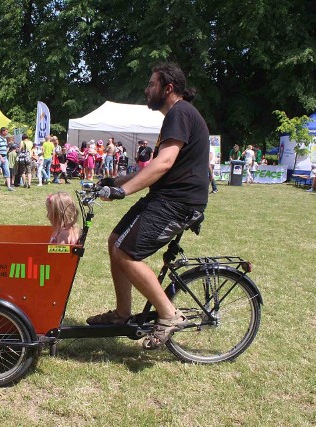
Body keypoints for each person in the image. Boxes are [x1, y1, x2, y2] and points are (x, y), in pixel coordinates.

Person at [87, 63, 209, 348]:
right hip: (165, 197)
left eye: (151, 84)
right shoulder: (177, 116)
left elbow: (164, 163)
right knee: (115, 241)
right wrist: (115, 180)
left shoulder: (179, 113)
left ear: (168, 88)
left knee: (126, 253)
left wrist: (123, 191)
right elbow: (155, 166)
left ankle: (169, 314)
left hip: (177, 202)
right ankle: (122, 314)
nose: (146, 89)